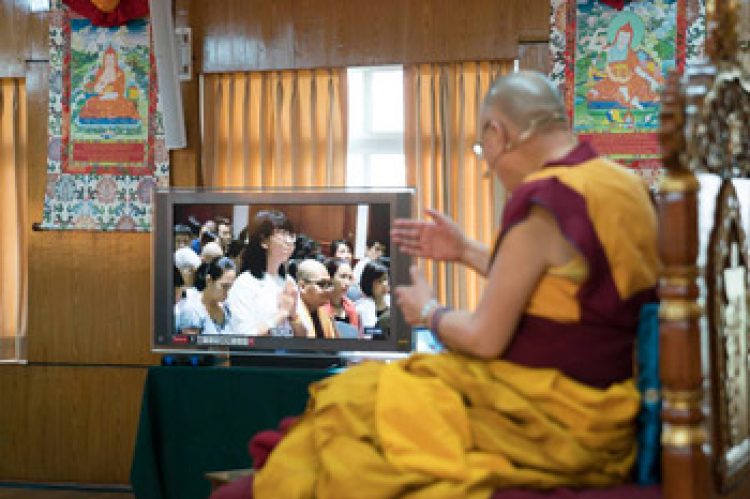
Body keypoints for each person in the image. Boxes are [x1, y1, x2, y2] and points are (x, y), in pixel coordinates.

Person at [223, 71, 658, 498]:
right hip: (605, 414)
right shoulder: (624, 185)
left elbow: (484, 339)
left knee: (352, 400)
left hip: (537, 415)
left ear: (497, 132)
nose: (488, 164)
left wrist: (429, 311)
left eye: (481, 149)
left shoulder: (545, 201)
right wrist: (466, 249)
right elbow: (566, 287)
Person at [225, 211, 302, 336]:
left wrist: (293, 316)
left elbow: (302, 336)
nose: (289, 242)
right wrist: (282, 314)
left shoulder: (289, 281)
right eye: (282, 234)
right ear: (264, 241)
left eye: (291, 235)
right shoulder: (245, 283)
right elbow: (243, 336)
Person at [78, 46, 140, 126]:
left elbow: (121, 90)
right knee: (90, 103)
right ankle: (95, 121)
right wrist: (102, 85)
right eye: (107, 59)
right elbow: (97, 89)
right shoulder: (100, 72)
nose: (109, 61)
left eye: (112, 59)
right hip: (101, 97)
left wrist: (113, 95)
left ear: (115, 60)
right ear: (104, 60)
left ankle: (121, 120)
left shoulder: (120, 73)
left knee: (127, 105)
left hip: (116, 98)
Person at [175, 257, 236, 335]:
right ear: (209, 281)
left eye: (230, 287)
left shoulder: (226, 308)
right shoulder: (193, 310)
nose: (228, 292)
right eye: (224, 286)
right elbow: (190, 346)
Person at [294, 259, 337, 339]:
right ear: (302, 286)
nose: (329, 290)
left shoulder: (325, 314)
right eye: (322, 284)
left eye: (329, 284)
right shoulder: (292, 316)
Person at [322, 258, 361, 338]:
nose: (347, 283)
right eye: (343, 276)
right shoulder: (319, 305)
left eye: (350, 278)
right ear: (330, 277)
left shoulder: (351, 306)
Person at [354, 260, 390, 329]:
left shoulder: (392, 301)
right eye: (379, 281)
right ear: (368, 283)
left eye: (385, 279)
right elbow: (370, 334)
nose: (385, 284)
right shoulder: (361, 308)